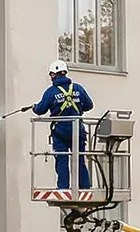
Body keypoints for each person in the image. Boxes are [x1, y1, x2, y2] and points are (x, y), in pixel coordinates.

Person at [30, 59, 94, 191]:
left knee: (62, 160)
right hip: (78, 131)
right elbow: (89, 105)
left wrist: (34, 107)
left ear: (53, 75)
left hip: (60, 132)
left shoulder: (51, 92)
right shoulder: (78, 88)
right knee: (79, 160)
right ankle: (85, 187)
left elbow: (40, 110)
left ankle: (63, 188)